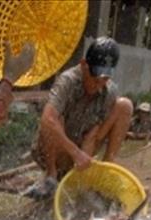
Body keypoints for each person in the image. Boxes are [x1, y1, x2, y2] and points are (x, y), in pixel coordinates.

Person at [23, 37, 133, 200]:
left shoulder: (108, 91)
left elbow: (94, 132)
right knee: (54, 118)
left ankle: (107, 171)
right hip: (53, 151)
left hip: (81, 147)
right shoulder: (67, 81)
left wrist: (83, 173)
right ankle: (51, 176)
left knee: (125, 106)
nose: (99, 86)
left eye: (104, 80)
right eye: (95, 80)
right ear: (83, 65)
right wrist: (76, 154)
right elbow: (48, 119)